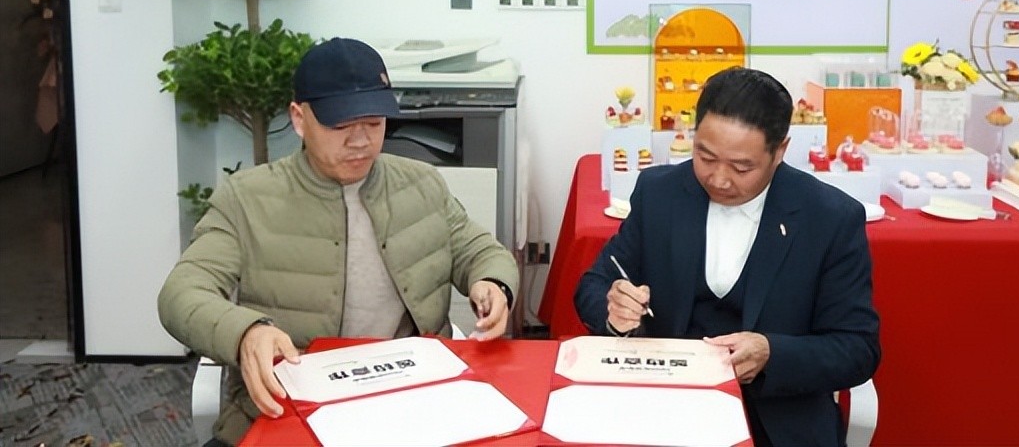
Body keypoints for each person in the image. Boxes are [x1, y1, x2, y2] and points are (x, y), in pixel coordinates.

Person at [158, 37, 519, 447]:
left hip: (411, 398)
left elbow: (479, 251)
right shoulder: (245, 199)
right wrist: (244, 333)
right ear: (299, 119)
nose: (360, 141)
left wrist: (492, 282)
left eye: (374, 123)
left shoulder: (421, 184)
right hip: (289, 406)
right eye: (341, 126)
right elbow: (181, 293)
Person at [574, 67, 880, 447]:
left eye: (741, 167)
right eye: (705, 157)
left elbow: (857, 348)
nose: (718, 179)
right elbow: (595, 284)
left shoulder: (829, 217)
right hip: (665, 405)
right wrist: (615, 311)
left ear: (780, 151)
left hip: (776, 420)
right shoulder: (660, 194)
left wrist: (772, 354)